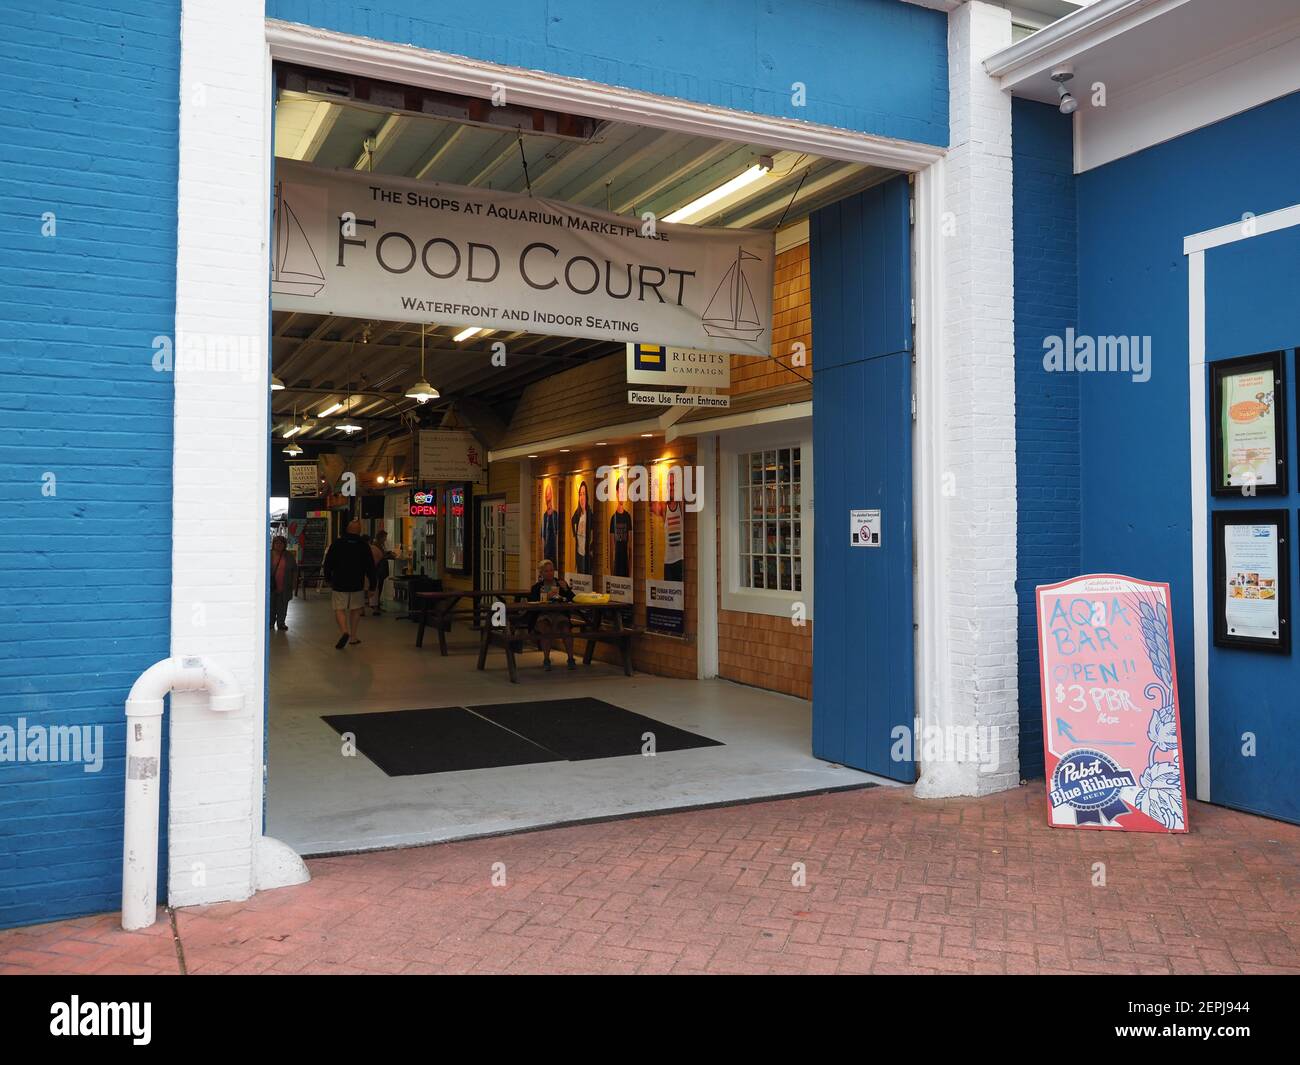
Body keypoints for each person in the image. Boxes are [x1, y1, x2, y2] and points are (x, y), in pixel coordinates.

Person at [322, 518, 375, 650]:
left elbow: (328, 563)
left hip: (339, 582)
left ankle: (345, 631)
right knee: (355, 609)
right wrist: (373, 585)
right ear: (359, 531)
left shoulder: (337, 543)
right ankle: (353, 636)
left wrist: (327, 578)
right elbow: (370, 567)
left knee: (339, 609)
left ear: (346, 529)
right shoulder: (364, 545)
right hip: (357, 583)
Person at [527, 559, 575, 671]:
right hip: (543, 614)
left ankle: (571, 659)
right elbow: (532, 601)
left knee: (566, 630)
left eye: (551, 570)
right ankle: (546, 659)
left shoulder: (560, 583)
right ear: (541, 573)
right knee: (546, 629)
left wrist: (566, 589)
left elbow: (572, 598)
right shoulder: (537, 587)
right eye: (546, 571)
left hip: (559, 614)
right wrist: (546, 596)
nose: (550, 573)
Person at [269, 535, 297, 631]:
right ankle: (270, 623)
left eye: (281, 543)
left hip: (285, 586)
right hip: (271, 586)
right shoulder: (268, 555)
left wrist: (294, 583)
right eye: (276, 543)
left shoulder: (289, 556)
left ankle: (281, 623)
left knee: (283, 605)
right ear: (273, 544)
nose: (279, 545)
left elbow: (294, 570)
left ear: (284, 545)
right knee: (271, 606)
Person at [570, 480, 595, 576]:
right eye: (580, 494)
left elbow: (593, 535)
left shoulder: (590, 515)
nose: (582, 497)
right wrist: (574, 535)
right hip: (579, 555)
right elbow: (572, 522)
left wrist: (590, 549)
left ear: (587, 496)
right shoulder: (577, 514)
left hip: (587, 557)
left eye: (584, 494)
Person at [369, 528, 394, 615]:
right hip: (379, 569)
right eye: (385, 537)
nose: (386, 539)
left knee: (379, 587)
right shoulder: (377, 545)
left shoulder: (380, 545)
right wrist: (387, 555)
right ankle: (375, 605)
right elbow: (380, 555)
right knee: (377, 587)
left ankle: (376, 605)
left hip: (380, 569)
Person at [609, 493, 633, 577]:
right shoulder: (613, 518)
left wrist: (630, 572)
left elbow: (630, 546)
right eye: (620, 491)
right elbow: (611, 547)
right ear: (616, 493)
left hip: (625, 562)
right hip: (616, 563)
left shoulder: (628, 517)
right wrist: (611, 573)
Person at [540, 481, 560, 568]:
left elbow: (557, 530)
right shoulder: (544, 516)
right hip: (546, 550)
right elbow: (542, 534)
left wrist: (551, 516)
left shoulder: (555, 514)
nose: (548, 497)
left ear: (552, 495)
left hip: (554, 550)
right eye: (546, 495)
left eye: (549, 494)